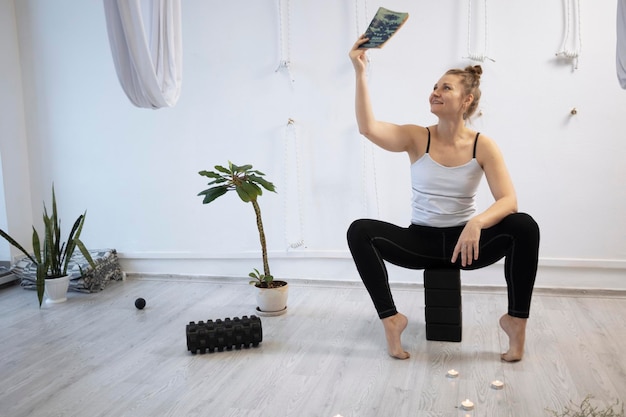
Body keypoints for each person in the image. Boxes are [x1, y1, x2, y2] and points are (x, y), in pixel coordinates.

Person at [346, 35, 540, 362]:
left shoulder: (483, 145)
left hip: (467, 245)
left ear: (467, 100)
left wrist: (477, 223)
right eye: (435, 86)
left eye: (446, 88)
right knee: (359, 230)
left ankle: (516, 323)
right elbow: (368, 128)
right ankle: (391, 319)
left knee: (524, 226)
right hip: (419, 241)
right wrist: (360, 71)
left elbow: (508, 200)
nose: (435, 92)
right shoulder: (416, 136)